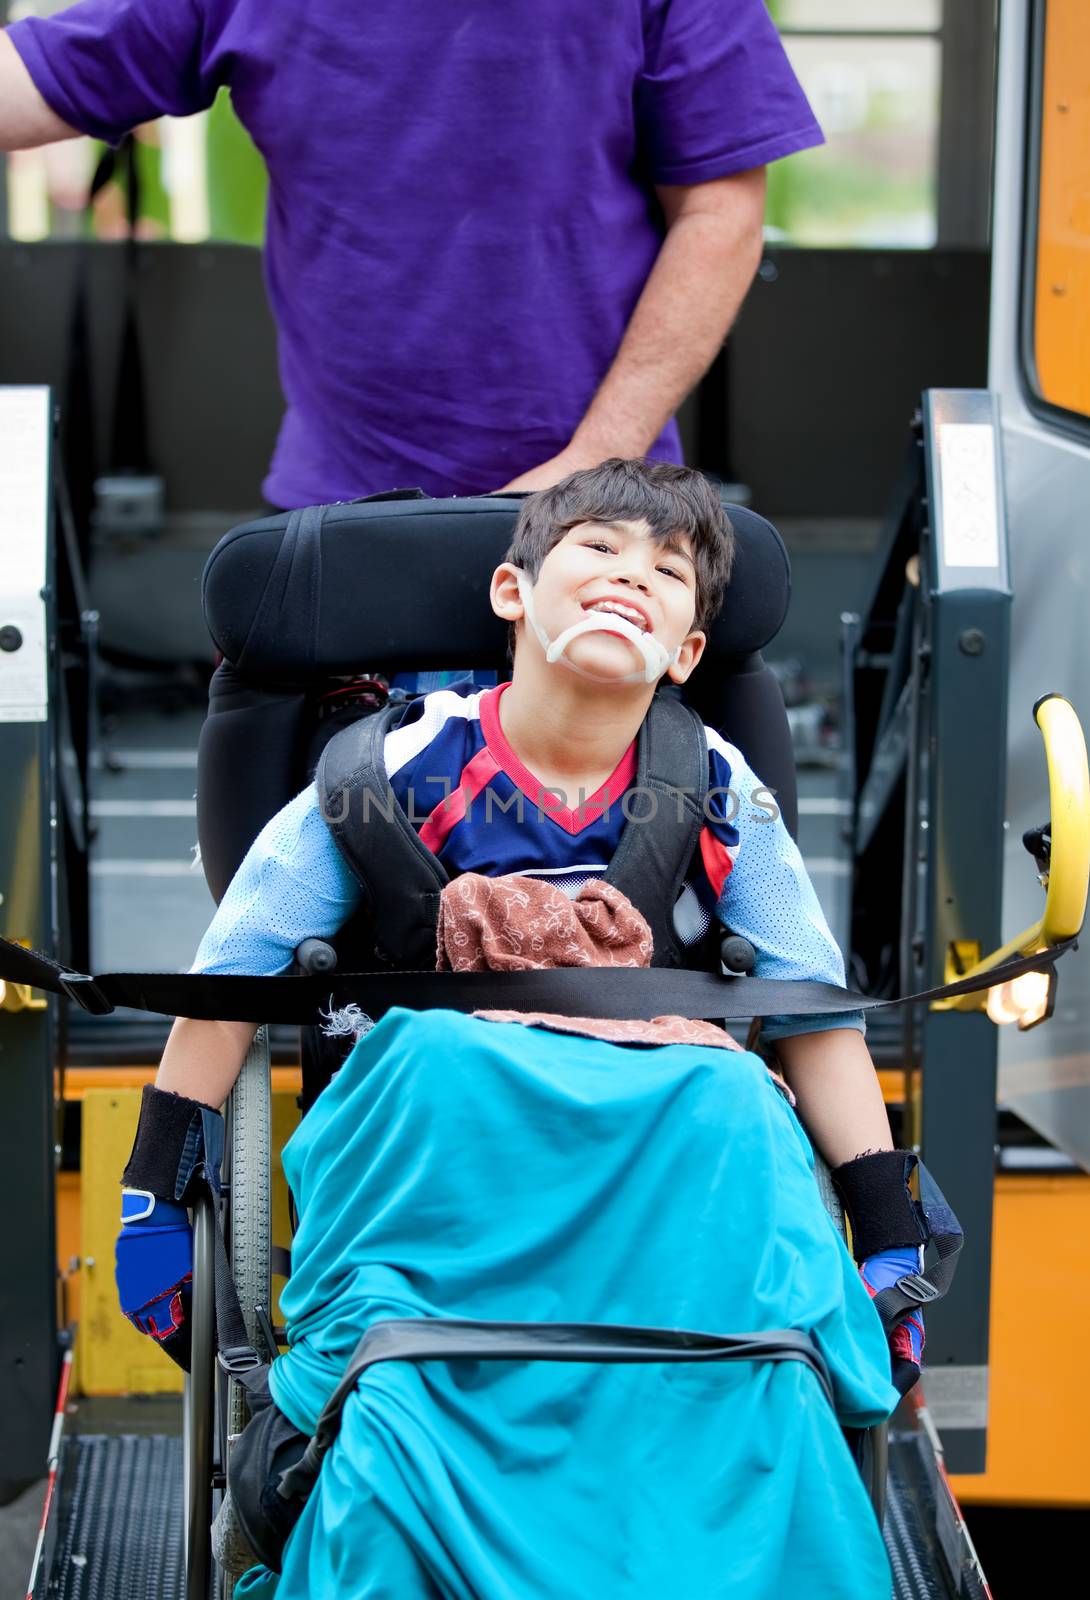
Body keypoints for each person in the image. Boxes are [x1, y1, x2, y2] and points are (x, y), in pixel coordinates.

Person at [117, 460, 927, 1397]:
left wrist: (885, 1223)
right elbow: (231, 983)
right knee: (439, 1065)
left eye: (669, 572)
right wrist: (154, 1198)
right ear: (513, 591)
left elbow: (809, 1012)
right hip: (442, 1154)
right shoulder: (386, 773)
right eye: (598, 548)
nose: (633, 575)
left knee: (734, 1096)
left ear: (688, 652)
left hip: (657, 1153)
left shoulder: (718, 787)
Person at [0, 2, 821, 506]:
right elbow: (36, 80)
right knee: (320, 791)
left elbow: (720, 211)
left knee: (581, 796)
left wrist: (595, 461)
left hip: (600, 517)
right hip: (340, 514)